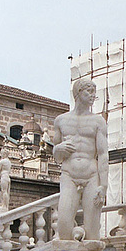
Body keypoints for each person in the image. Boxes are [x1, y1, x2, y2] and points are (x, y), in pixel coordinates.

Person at [53, 80, 108, 241]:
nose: (93, 96)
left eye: (94, 92)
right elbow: (56, 155)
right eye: (88, 92)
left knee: (92, 230)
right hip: (69, 174)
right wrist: (58, 149)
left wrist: (103, 186)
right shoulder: (61, 120)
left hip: (91, 174)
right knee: (63, 223)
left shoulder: (98, 121)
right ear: (77, 94)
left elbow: (103, 154)